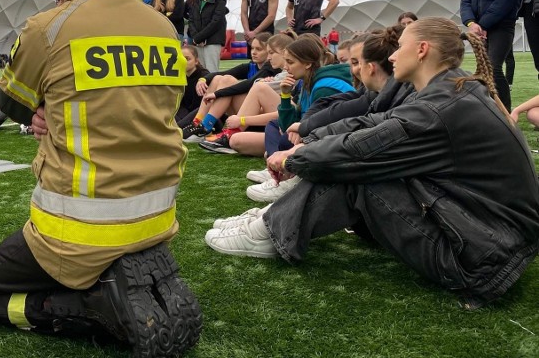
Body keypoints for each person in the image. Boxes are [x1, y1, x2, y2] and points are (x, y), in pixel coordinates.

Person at [0, 0, 202, 356]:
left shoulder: (51, 27)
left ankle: (98, 307)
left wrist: (46, 107)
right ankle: (129, 274)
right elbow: (158, 108)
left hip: (78, 233)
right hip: (159, 217)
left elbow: (11, 104)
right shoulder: (164, 29)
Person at [205, 18, 539, 309]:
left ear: (421, 50)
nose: (392, 55)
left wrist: (298, 157)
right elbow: (375, 123)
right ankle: (271, 220)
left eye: (401, 46)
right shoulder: (449, 90)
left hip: (480, 258)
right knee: (355, 159)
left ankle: (268, 231)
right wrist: (306, 144)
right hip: (490, 240)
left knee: (357, 168)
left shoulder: (439, 107)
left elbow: (361, 149)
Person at [245, 34, 354, 202]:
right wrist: (285, 95)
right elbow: (287, 124)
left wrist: (300, 129)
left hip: (338, 144)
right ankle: (279, 170)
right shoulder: (306, 81)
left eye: (290, 62)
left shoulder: (324, 86)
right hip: (318, 137)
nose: (286, 68)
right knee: (275, 126)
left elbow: (324, 129)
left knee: (285, 141)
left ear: (308, 63)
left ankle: (286, 176)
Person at [459, 0, 519, 111]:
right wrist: (471, 23)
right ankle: (490, 110)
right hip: (479, 29)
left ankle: (505, 112)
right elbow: (466, 0)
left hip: (501, 27)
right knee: (482, 70)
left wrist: (482, 24)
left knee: (493, 68)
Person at [186, 0, 228, 72]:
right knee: (201, 71)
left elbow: (215, 22)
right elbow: (191, 21)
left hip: (212, 41)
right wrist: (196, 38)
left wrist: (199, 38)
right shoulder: (196, 2)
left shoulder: (218, 1)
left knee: (212, 70)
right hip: (198, 43)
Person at [177, 45, 209, 126]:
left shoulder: (204, 75)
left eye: (187, 59)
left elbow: (205, 105)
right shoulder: (179, 76)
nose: (184, 62)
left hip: (202, 114)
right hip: (187, 114)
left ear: (196, 61)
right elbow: (180, 104)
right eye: (181, 59)